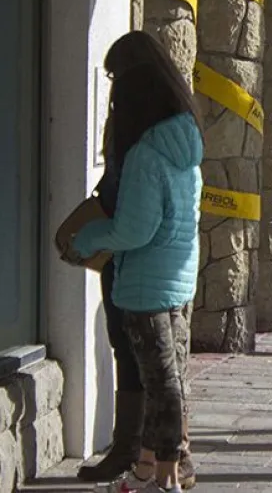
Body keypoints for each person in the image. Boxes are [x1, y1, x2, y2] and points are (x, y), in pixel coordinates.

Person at [70, 30, 203, 493]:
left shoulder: (147, 153)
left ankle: (160, 471)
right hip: (175, 275)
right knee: (169, 375)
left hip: (142, 276)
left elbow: (135, 228)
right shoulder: (184, 140)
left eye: (114, 80)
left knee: (154, 375)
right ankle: (153, 465)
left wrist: (88, 239)